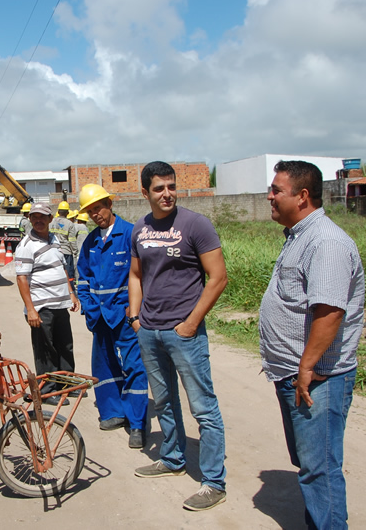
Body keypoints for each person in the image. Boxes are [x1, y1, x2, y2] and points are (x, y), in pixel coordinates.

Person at [259, 161, 365, 530]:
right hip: (296, 374)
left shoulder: (327, 242)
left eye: (277, 190)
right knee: (310, 464)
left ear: (303, 197)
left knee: (319, 468)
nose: (269, 196)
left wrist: (306, 368)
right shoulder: (299, 236)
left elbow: (330, 310)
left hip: (318, 378)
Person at [128, 161, 228, 511]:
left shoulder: (195, 224)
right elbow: (136, 275)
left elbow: (217, 277)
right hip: (149, 331)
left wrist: (190, 322)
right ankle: (172, 458)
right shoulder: (139, 229)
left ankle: (213, 481)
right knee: (165, 400)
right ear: (145, 192)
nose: (167, 194)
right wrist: (135, 316)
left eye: (171, 186)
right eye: (159, 188)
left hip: (183, 332)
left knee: (203, 406)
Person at [76, 184, 149, 448]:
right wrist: (87, 305)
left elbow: (143, 276)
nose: (95, 215)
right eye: (90, 211)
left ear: (110, 203)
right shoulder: (91, 241)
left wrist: (136, 308)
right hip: (99, 315)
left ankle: (137, 423)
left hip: (125, 313)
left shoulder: (130, 234)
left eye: (98, 208)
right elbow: (82, 279)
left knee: (134, 366)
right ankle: (113, 412)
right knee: (104, 366)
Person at [14, 203, 80, 405]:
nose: (38, 220)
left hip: (59, 304)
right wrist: (31, 310)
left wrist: (71, 293)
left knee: (65, 346)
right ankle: (47, 389)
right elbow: (22, 279)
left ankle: (66, 384)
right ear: (30, 219)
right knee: (45, 350)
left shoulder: (55, 239)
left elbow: (62, 267)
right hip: (41, 308)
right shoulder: (26, 245)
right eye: (34, 217)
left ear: (50, 219)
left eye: (42, 217)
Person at [49, 201, 77, 286]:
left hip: (53, 250)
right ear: (68, 213)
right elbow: (72, 240)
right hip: (66, 252)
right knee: (68, 274)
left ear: (58, 212)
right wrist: (75, 251)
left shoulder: (52, 222)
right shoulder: (70, 224)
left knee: (54, 272)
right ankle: (70, 291)